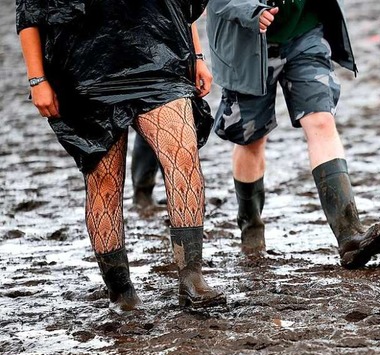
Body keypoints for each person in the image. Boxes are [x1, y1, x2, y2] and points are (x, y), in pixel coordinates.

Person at [17, 0, 225, 310]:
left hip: (160, 56)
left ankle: (191, 280)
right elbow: (30, 11)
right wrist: (37, 79)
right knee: (105, 182)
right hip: (86, 67)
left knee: (183, 158)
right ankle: (121, 291)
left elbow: (183, 6)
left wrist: (197, 56)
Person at [206, 0, 380, 269]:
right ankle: (251, 231)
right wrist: (249, 10)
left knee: (321, 122)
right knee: (251, 141)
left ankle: (350, 235)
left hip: (304, 33)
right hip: (245, 43)